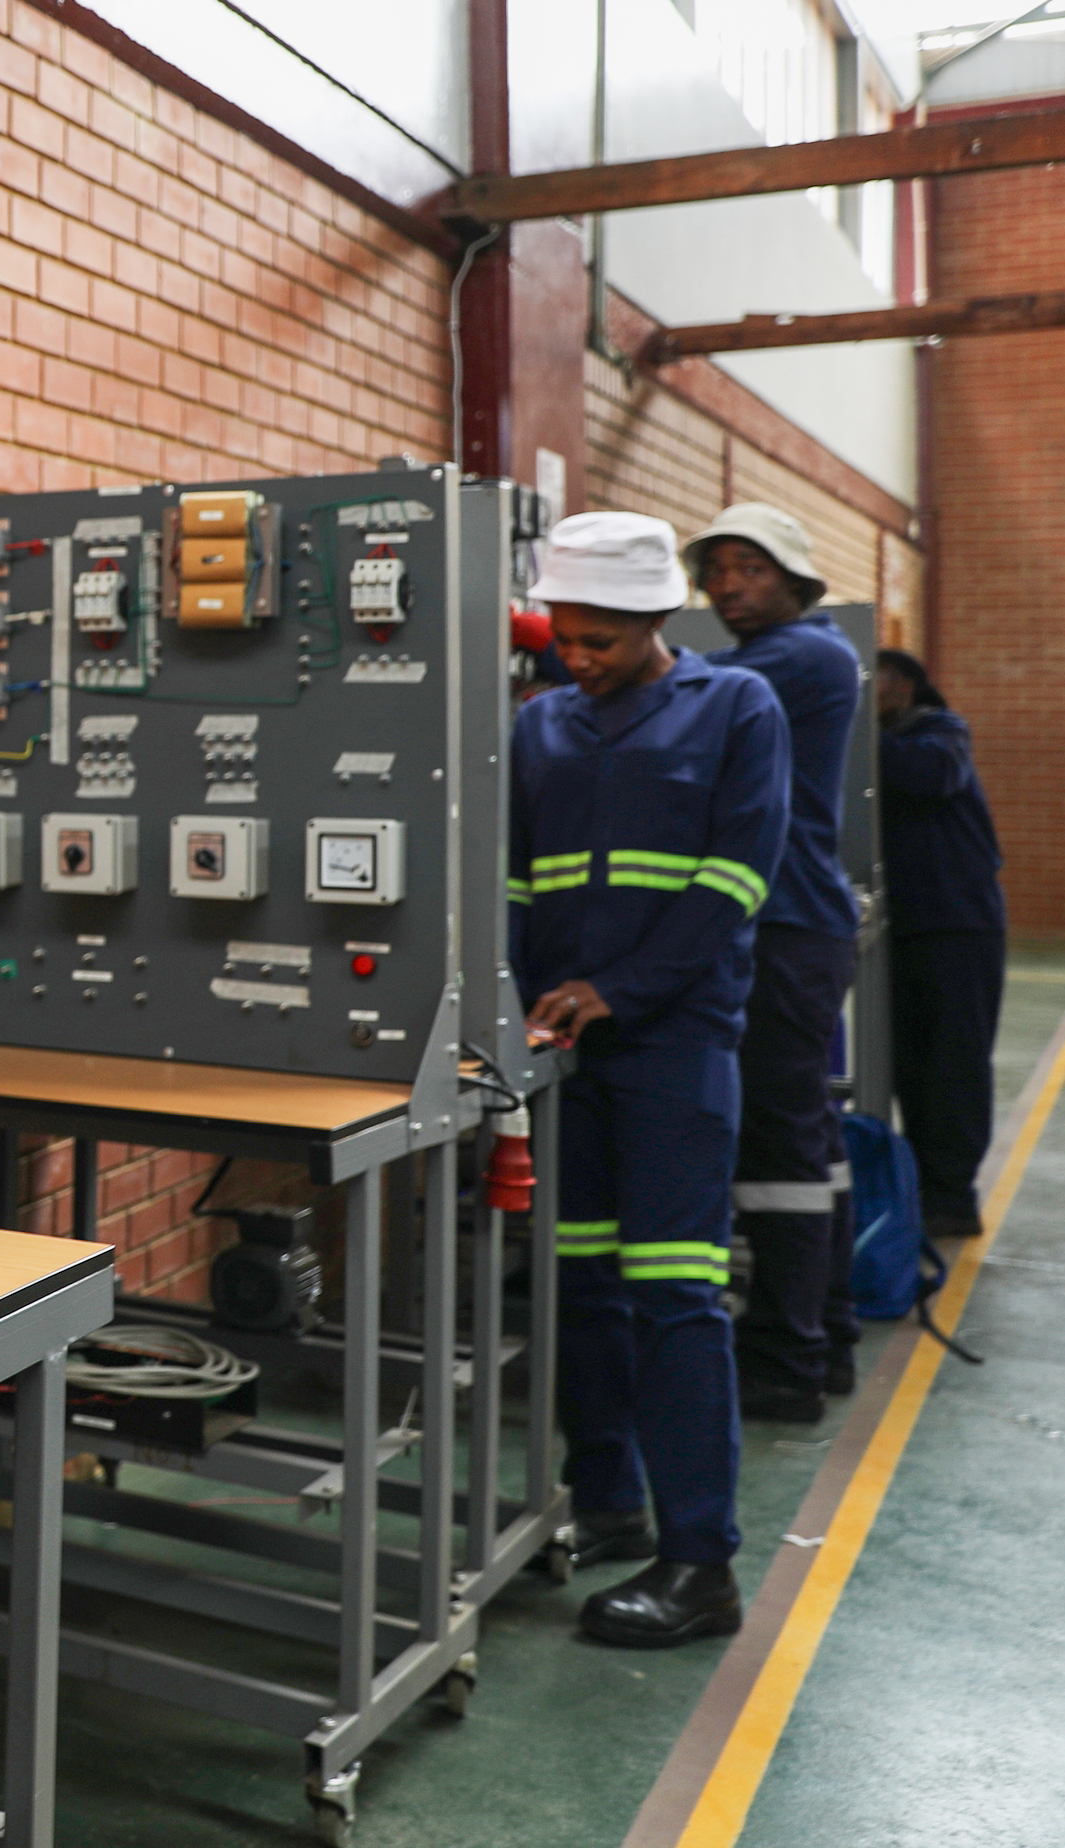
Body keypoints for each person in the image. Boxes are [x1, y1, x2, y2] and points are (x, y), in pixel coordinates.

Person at [513, 511, 790, 1648]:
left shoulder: (736, 707)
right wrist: (518, 1001)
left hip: (676, 1041)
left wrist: (620, 988)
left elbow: (736, 878)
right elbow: (524, 886)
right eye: (564, 640)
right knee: (577, 1282)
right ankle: (612, 1499)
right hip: (564, 1041)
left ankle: (699, 1563)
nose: (578, 660)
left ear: (656, 621)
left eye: (601, 643)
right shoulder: (540, 727)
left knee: (676, 1293)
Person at [684, 506, 863, 1422]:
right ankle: (824, 1337)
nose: (725, 586)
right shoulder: (784, 657)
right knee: (809, 1142)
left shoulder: (803, 654)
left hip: (788, 928)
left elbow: (680, 692)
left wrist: (555, 658)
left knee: (776, 1146)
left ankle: (784, 1362)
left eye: (746, 567)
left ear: (792, 577)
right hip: (797, 928)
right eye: (714, 569)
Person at [874, 648, 1005, 1241]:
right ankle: (924, 1185)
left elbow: (925, 778)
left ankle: (953, 1196)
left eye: (873, 682)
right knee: (909, 1066)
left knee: (953, 1064)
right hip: (902, 929)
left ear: (902, 685)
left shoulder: (941, 734)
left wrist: (846, 731)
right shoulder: (884, 745)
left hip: (958, 927)